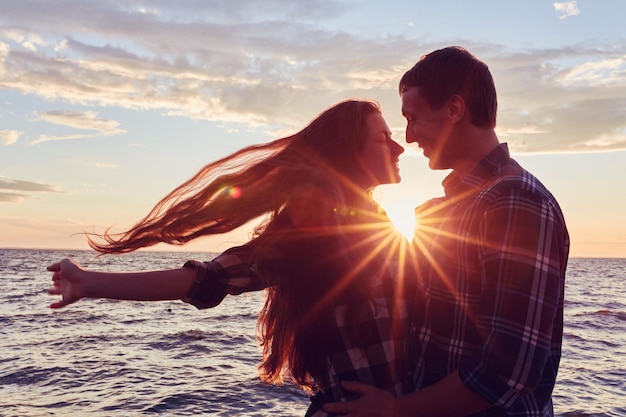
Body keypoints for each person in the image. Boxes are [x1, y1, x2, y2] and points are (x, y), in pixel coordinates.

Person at [47, 99, 416, 417]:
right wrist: (90, 282)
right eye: (383, 138)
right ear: (348, 152)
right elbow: (210, 279)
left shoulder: (379, 223)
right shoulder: (319, 226)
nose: (398, 148)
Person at [323, 46, 570, 416]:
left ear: (455, 109)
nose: (407, 137)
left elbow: (507, 370)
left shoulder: (515, 201)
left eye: (413, 118)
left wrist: (397, 410)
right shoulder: (440, 211)